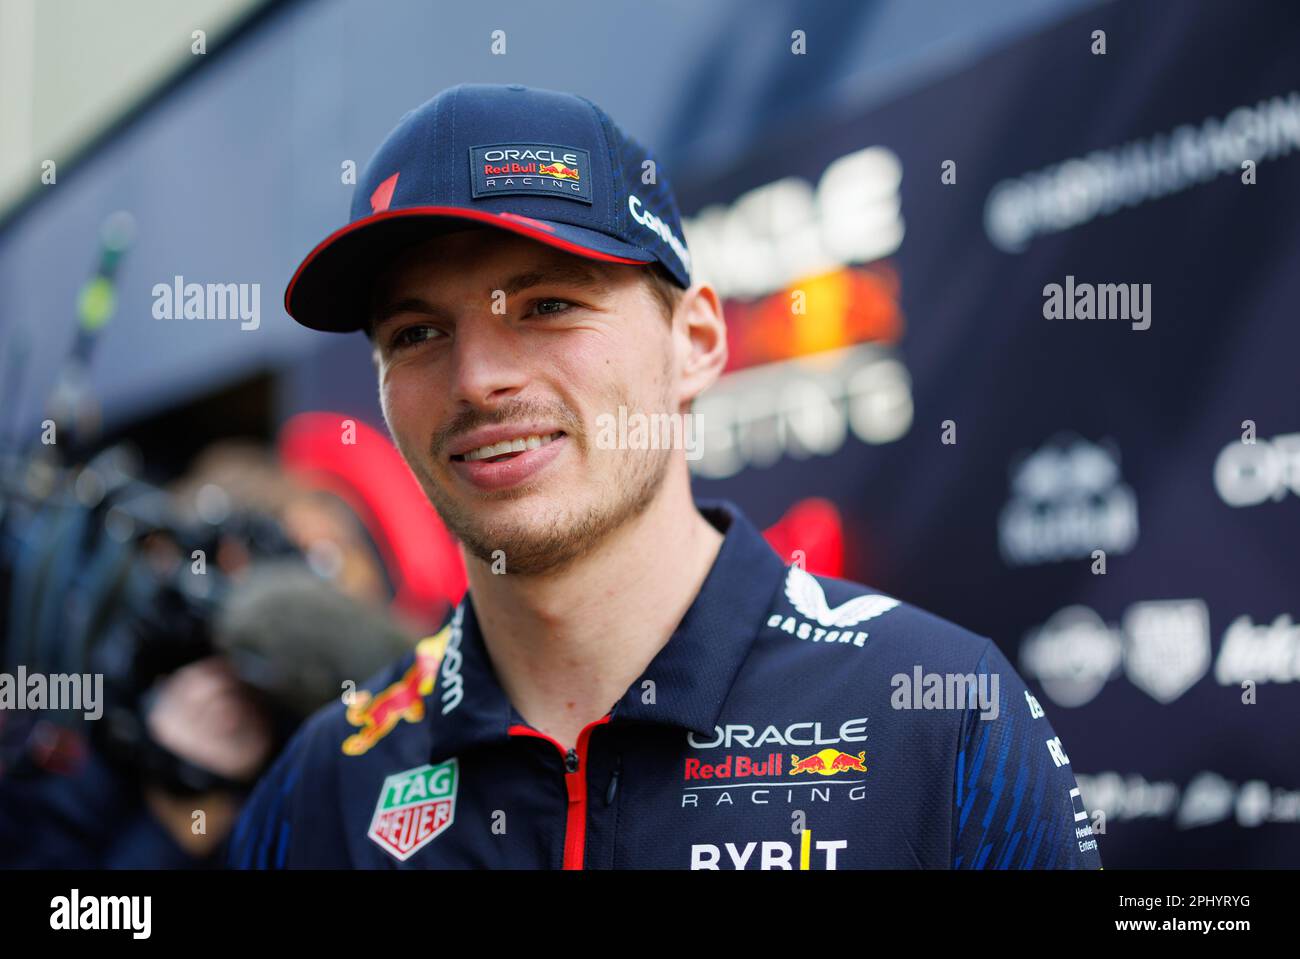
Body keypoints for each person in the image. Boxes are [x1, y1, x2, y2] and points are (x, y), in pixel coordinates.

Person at [228, 83, 1102, 869]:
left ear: (697, 343)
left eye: (548, 306)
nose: (476, 380)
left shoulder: (940, 717)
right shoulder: (324, 782)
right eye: (417, 333)